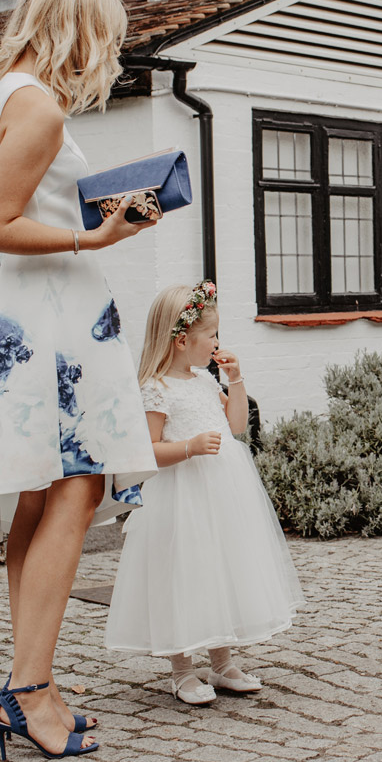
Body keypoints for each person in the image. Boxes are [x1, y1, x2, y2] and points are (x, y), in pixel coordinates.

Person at [0, 0, 160, 760]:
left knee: (38, 499)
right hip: (47, 322)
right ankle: (29, 690)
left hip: (25, 314)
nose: (108, 52)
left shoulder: (4, 93)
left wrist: (99, 217)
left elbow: (19, 209)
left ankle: (37, 678)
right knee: (78, 484)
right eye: (108, 35)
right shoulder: (36, 109)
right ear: (84, 28)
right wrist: (92, 236)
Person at [105, 281, 303, 703]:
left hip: (220, 493)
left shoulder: (202, 379)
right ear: (181, 341)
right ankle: (182, 670)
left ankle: (222, 663)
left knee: (219, 570)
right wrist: (188, 448)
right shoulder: (157, 388)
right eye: (211, 335)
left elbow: (234, 427)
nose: (217, 342)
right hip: (179, 498)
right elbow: (147, 451)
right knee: (181, 573)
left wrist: (235, 379)